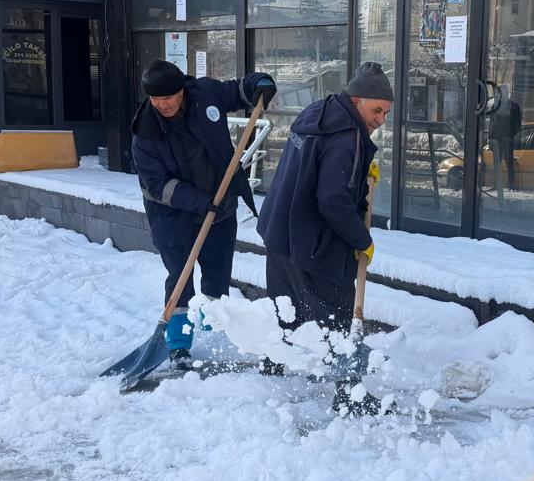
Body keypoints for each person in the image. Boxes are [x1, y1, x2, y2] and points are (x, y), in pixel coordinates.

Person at [256, 63, 391, 416]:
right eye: (376, 110)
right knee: (337, 314)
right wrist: (361, 239)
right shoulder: (346, 138)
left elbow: (319, 171)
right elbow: (333, 200)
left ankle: (272, 366)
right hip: (311, 240)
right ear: (357, 100)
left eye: (386, 113)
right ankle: (350, 392)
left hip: (280, 228)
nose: (381, 120)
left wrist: (360, 173)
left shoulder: (319, 112)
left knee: (286, 305)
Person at [130, 60, 276, 368]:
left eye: (168, 97)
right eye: (155, 99)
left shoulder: (205, 94)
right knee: (180, 278)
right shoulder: (144, 132)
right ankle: (179, 344)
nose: (162, 104)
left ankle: (213, 333)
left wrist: (259, 83)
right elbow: (157, 185)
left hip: (221, 208)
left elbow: (238, 90)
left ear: (182, 90)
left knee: (218, 273)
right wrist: (201, 201)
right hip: (172, 216)